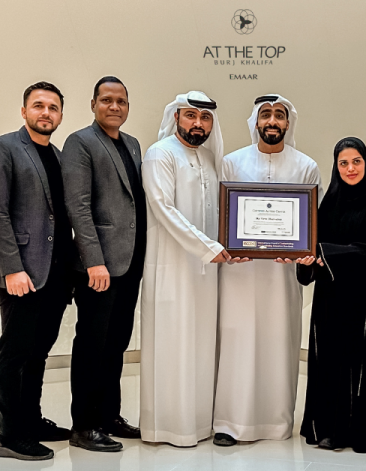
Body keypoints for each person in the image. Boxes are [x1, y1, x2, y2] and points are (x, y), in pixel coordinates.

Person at [213, 94, 322, 446]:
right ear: (255, 122)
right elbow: (224, 215)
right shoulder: (231, 163)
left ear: (288, 124)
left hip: (282, 276)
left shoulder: (306, 166)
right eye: (265, 115)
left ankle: (277, 423)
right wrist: (230, 246)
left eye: (279, 115)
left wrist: (303, 251)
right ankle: (231, 423)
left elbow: (309, 223)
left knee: (279, 342)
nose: (272, 121)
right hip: (239, 273)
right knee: (237, 343)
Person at [0, 81, 74, 461]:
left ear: (60, 115)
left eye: (53, 108)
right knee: (15, 354)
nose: (45, 113)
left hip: (56, 275)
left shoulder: (57, 155)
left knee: (39, 353)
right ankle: (9, 435)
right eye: (38, 106)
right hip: (21, 273)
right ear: (24, 112)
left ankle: (32, 421)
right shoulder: (4, 148)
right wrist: (11, 269)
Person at [139, 91, 231, 447]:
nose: (198, 123)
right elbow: (164, 209)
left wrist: (230, 246)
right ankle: (169, 427)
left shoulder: (209, 159)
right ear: (177, 117)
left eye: (205, 118)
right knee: (173, 343)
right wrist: (209, 248)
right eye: (191, 116)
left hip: (207, 272)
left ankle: (198, 423)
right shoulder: (160, 154)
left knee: (202, 345)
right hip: (172, 270)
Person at [295, 137, 366, 454]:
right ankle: (327, 429)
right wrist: (307, 259)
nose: (350, 168)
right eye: (343, 163)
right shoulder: (328, 204)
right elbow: (313, 246)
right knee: (330, 359)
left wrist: (329, 253)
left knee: (363, 361)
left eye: (356, 161)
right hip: (330, 296)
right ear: (336, 166)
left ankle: (362, 431)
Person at [62, 76, 144, 452]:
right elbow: (77, 206)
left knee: (117, 344)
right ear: (93, 104)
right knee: (92, 345)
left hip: (130, 264)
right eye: (107, 100)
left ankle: (110, 415)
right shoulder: (81, 142)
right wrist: (94, 261)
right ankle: (84, 425)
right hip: (99, 268)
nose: (115, 107)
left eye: (121, 101)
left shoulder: (132, 144)